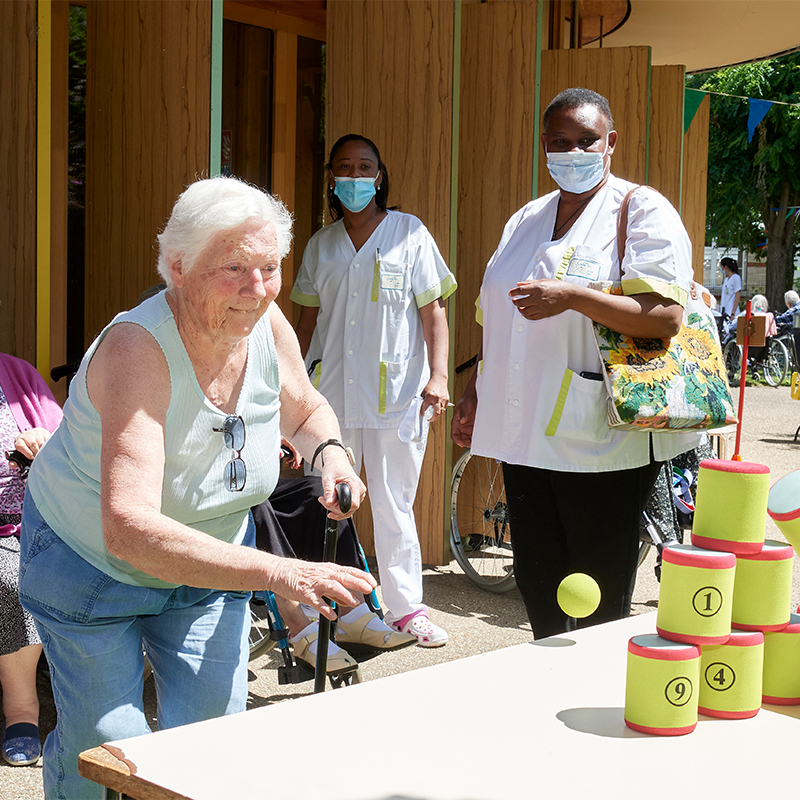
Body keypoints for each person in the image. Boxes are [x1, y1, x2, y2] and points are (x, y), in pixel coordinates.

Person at [18, 176, 376, 798]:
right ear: (178, 267)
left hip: (211, 564)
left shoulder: (267, 325)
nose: (258, 289)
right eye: (234, 267)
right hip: (91, 564)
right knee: (108, 753)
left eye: (269, 267)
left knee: (209, 743)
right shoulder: (137, 349)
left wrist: (332, 456)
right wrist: (280, 572)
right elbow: (128, 527)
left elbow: (303, 407)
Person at [451, 87, 700, 640]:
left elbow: (662, 315)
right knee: (537, 582)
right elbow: (497, 312)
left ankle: (596, 702)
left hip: (598, 440)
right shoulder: (526, 218)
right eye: (559, 142)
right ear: (544, 146)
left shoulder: (641, 208)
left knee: (595, 593)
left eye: (586, 141)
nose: (572, 152)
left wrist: (573, 295)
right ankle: (547, 692)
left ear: (611, 142)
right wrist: (476, 389)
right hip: (525, 435)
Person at [291, 134, 456, 647]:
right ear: (331, 178)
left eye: (365, 168)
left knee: (392, 506)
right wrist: (290, 386)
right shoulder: (322, 244)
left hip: (399, 398)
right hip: (330, 400)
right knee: (329, 503)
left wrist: (439, 376)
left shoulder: (410, 234)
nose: (356, 177)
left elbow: (435, 313)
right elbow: (304, 321)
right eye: (346, 168)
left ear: (380, 177)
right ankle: (337, 609)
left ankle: (407, 611)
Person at [251, 441, 415, 672]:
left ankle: (353, 614)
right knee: (255, 503)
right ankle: (299, 630)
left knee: (318, 493)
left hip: (248, 475)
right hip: (210, 491)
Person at [0, 348, 62, 766]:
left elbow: (71, 442)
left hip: (45, 518)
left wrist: (41, 445)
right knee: (9, 577)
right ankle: (21, 711)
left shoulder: (16, 373)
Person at [719, 257, 742, 323]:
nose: (722, 269)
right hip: (724, 311)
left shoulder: (736, 278)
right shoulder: (726, 279)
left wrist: (733, 313)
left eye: (722, 267)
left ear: (726, 267)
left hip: (731, 312)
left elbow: (737, 297)